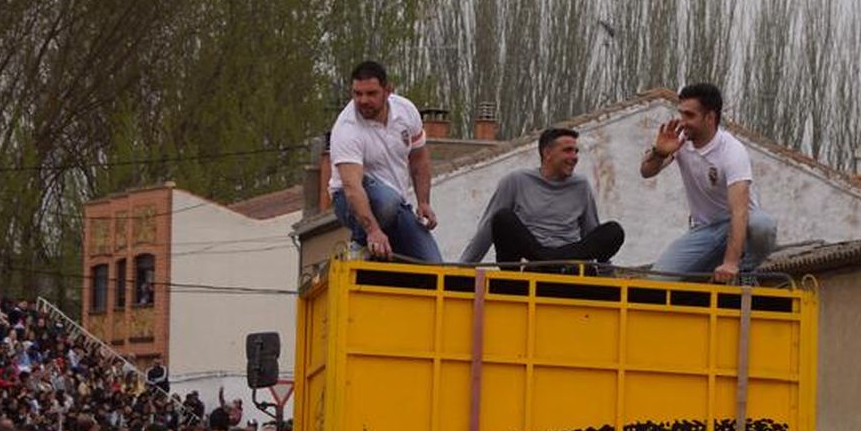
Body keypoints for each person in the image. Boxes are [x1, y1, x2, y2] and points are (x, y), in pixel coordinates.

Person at [639, 83, 777, 283]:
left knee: (762, 225)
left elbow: (739, 211)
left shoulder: (731, 150)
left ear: (710, 118)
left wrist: (731, 263)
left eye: (690, 115)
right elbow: (646, 172)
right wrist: (659, 152)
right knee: (656, 283)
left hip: (739, 225)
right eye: (681, 114)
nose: (682, 121)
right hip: (704, 231)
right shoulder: (680, 141)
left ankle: (746, 271)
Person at [328, 60, 442, 263]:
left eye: (371, 94)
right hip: (349, 200)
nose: (363, 100)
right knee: (386, 200)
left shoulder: (406, 111)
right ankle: (360, 243)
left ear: (388, 90)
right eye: (357, 94)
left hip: (397, 204)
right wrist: (372, 232)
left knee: (433, 264)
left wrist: (424, 202)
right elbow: (351, 186)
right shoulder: (346, 128)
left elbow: (419, 159)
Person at [459, 128, 625, 266]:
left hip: (568, 260)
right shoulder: (516, 180)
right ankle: (544, 261)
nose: (574, 157)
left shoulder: (581, 185)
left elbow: (592, 233)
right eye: (567, 151)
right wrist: (462, 269)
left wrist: (606, 273)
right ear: (547, 153)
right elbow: (487, 229)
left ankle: (550, 262)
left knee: (614, 231)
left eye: (576, 151)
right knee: (502, 218)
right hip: (530, 258)